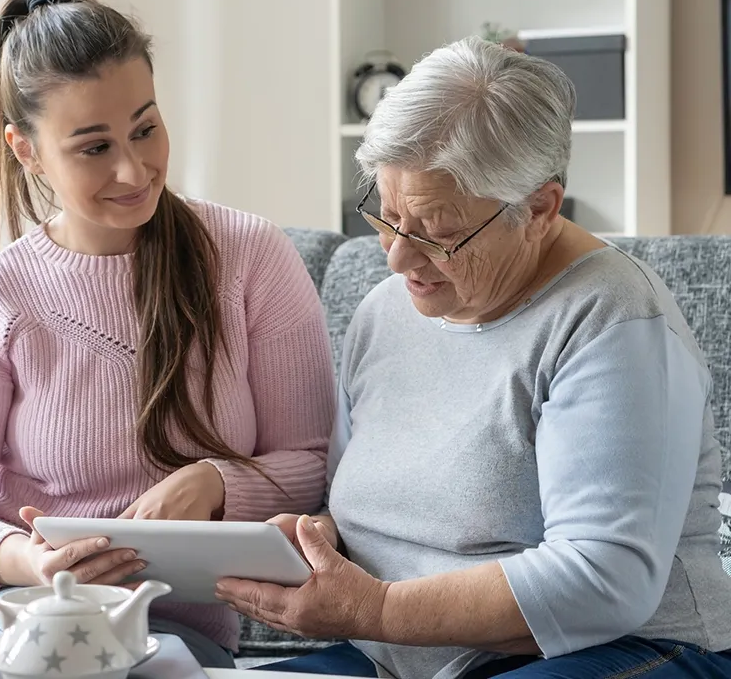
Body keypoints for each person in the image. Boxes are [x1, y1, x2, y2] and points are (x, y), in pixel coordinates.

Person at [215, 36, 731, 678]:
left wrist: (376, 610)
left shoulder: (614, 320)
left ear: (539, 208)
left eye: (437, 231)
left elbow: (606, 579)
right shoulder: (387, 310)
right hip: (398, 652)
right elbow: (362, 505)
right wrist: (318, 541)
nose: (397, 258)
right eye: (387, 213)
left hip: (616, 650)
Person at [0, 0, 335, 667]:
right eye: (94, 147)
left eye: (146, 128)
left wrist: (216, 482)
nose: (135, 170)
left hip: (159, 632)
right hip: (6, 609)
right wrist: (28, 560)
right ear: (25, 150)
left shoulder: (249, 257)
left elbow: (313, 463)